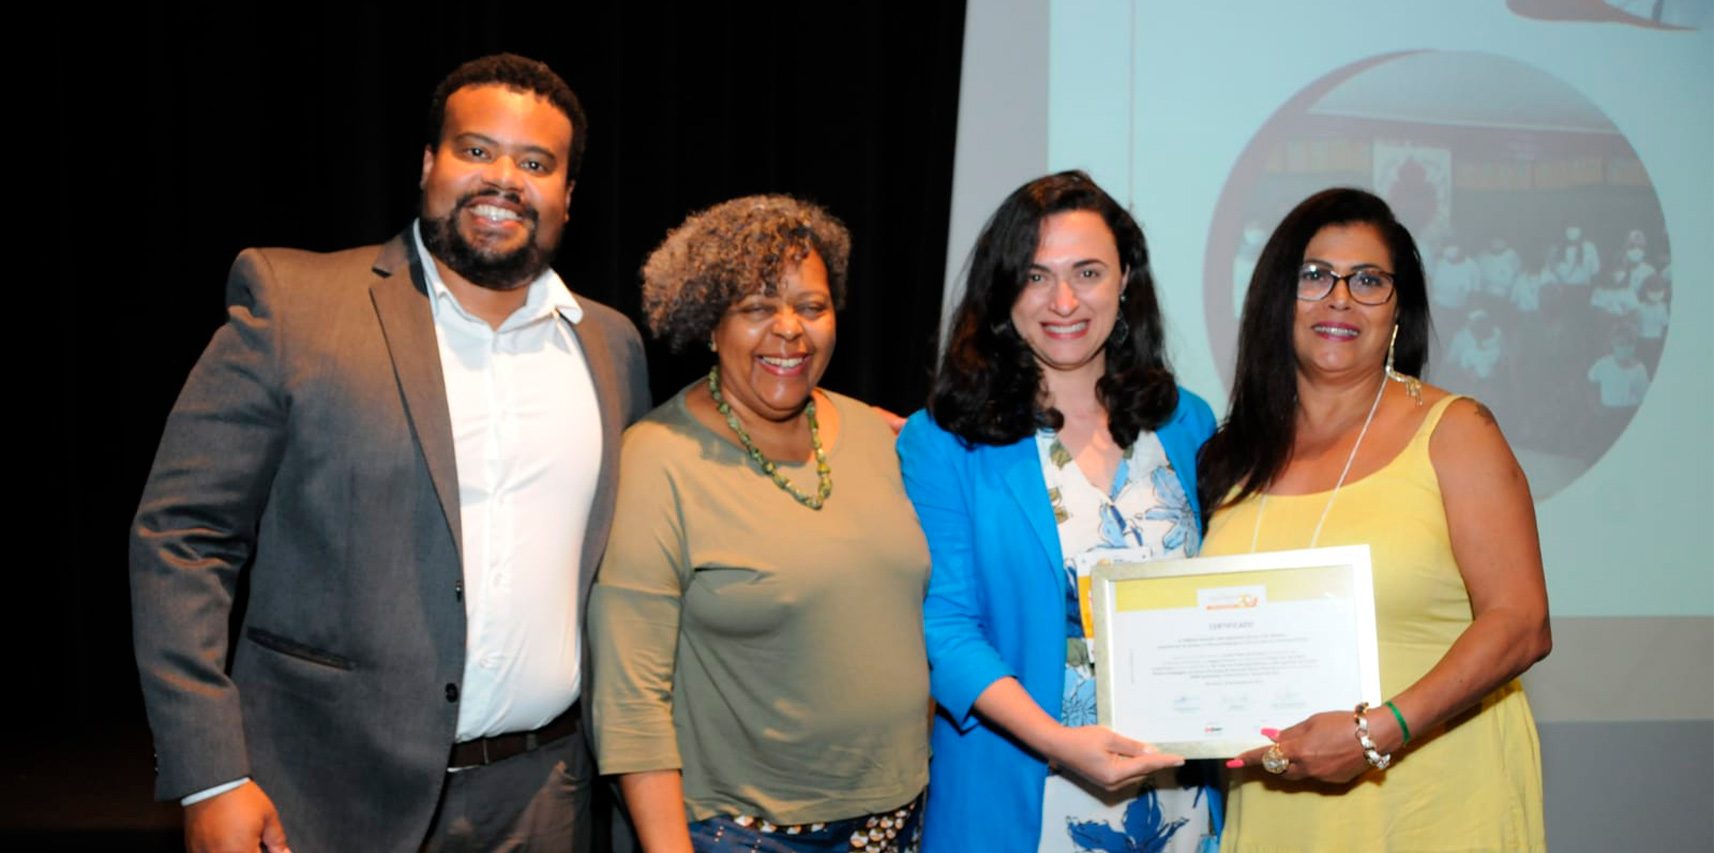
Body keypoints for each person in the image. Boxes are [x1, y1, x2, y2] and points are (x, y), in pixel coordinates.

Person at [129, 54, 650, 853]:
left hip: (546, 798)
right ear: (428, 164)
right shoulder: (294, 304)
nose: (504, 178)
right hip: (319, 797)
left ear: (568, 197)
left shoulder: (610, 346)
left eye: (536, 162)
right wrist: (210, 774)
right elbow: (181, 536)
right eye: (477, 150)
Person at [1198, 188, 1551, 851]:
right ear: (1279, 299)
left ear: (1399, 310)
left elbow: (1521, 621)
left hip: (1433, 799)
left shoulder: (1455, 430)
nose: (1339, 298)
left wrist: (1377, 732)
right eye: (1315, 276)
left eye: (1368, 280)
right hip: (1279, 806)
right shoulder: (1235, 456)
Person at [589, 195, 931, 853]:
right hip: (741, 836)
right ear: (709, 323)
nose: (789, 330)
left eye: (811, 306)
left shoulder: (876, 434)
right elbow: (631, 698)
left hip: (899, 823)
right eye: (755, 308)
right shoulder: (658, 458)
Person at [897, 171, 1218, 853]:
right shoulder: (944, 440)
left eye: (1089, 272)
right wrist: (1064, 743)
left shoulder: (1187, 421)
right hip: (1022, 793)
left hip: (1177, 802)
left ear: (1126, 278)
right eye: (1036, 276)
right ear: (1002, 289)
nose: (1064, 300)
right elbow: (945, 626)